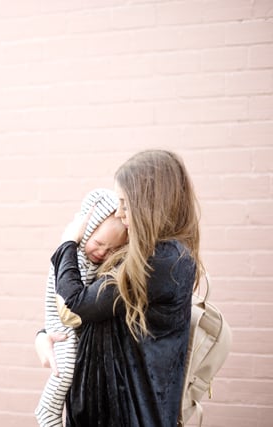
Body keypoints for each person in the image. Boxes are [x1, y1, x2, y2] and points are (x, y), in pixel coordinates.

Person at [37, 149, 203, 427]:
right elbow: (94, 309)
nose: (121, 213)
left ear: (150, 203)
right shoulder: (141, 254)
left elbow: (78, 304)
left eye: (126, 203)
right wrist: (44, 335)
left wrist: (67, 243)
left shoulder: (164, 261)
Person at [35, 189, 127, 427]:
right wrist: (42, 335)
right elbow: (73, 308)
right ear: (85, 232)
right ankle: (47, 413)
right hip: (64, 331)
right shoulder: (72, 257)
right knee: (62, 375)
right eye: (98, 243)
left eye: (112, 249)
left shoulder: (116, 270)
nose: (102, 253)